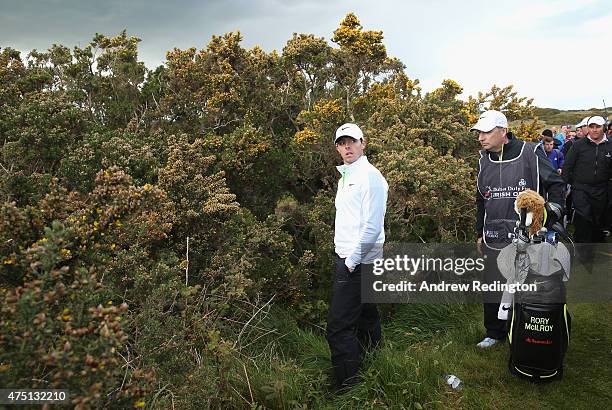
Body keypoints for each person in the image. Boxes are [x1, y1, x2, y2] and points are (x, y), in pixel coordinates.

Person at [473, 110, 565, 348]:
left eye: (486, 132)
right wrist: (478, 232)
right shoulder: (483, 160)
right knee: (492, 284)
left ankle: (525, 331)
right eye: (479, 132)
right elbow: (481, 199)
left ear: (503, 132)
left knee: (526, 287)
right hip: (493, 234)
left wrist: (550, 215)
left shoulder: (530, 152)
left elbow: (555, 185)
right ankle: (494, 333)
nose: (481, 137)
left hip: (527, 237)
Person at [326, 122, 388, 390]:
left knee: (338, 328)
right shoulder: (348, 174)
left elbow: (372, 227)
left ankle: (348, 386)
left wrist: (350, 263)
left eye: (352, 141)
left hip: (358, 262)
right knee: (366, 316)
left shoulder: (369, 177)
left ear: (363, 143)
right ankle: (376, 359)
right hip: (355, 260)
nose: (346, 147)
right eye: (341, 143)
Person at [562, 115, 612, 244]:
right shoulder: (578, 145)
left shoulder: (610, 145)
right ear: (588, 129)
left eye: (598, 127)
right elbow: (567, 166)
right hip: (581, 188)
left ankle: (596, 244)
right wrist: (566, 185)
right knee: (583, 217)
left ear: (604, 128)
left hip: (602, 189)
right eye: (592, 127)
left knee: (597, 219)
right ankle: (583, 250)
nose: (595, 130)